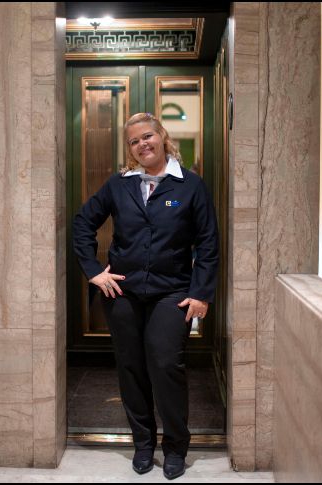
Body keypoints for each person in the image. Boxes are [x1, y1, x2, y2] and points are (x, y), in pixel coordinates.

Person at [72, 112, 219, 480]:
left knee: (166, 365)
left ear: (162, 136)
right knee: (131, 367)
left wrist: (201, 293)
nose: (143, 144)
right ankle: (142, 444)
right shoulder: (119, 184)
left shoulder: (190, 186)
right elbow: (83, 223)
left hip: (173, 292)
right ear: (130, 148)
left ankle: (175, 447)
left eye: (148, 136)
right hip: (123, 292)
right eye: (135, 141)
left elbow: (208, 242)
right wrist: (94, 271)